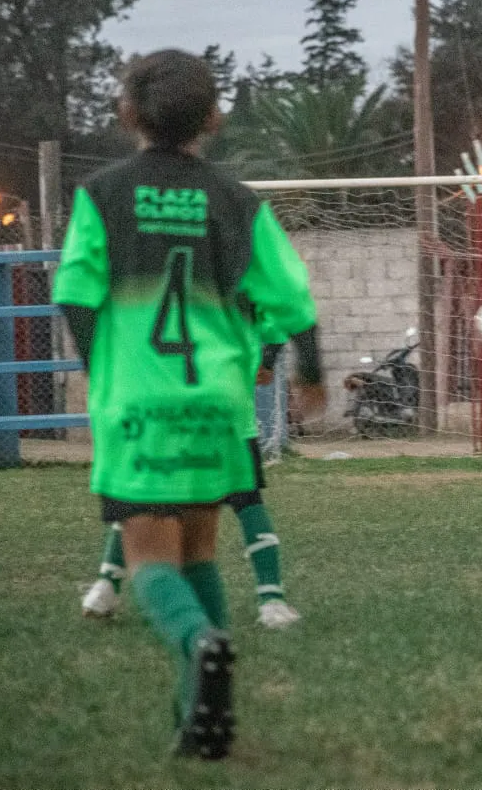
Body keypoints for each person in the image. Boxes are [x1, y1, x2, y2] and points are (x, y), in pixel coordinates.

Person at [53, 49, 324, 759]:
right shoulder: (236, 200)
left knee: (148, 560)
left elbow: (75, 293)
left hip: (139, 399)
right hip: (216, 400)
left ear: (126, 114)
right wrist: (313, 373)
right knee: (200, 547)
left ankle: (198, 639)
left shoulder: (102, 195)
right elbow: (292, 299)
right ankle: (201, 721)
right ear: (214, 117)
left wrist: (103, 372)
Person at [80, 345, 303, 630]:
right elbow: (276, 314)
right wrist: (269, 360)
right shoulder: (224, 304)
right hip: (206, 418)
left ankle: (105, 588)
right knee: (240, 502)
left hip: (183, 418)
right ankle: (271, 602)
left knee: (154, 502)